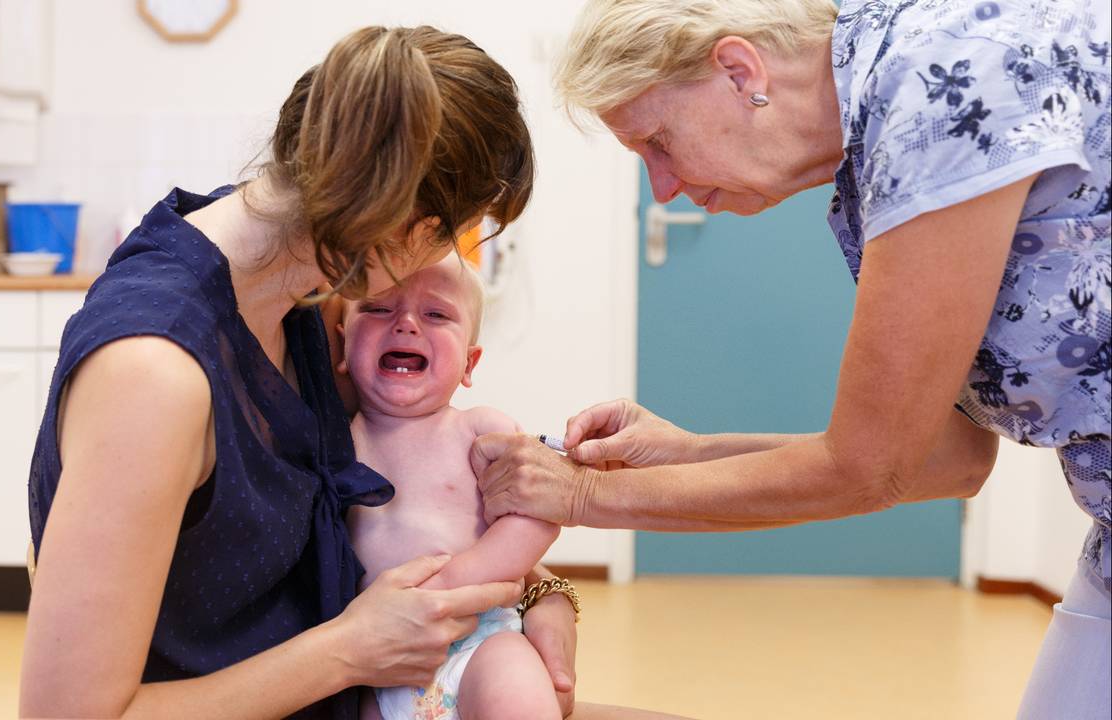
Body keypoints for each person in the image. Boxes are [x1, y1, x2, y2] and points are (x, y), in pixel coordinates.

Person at [471, 1, 1111, 718]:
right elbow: (946, 460)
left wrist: (584, 497)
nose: (663, 187)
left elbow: (871, 469)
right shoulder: (872, 159)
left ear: (740, 72)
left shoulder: (937, 83)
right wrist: (687, 455)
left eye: (658, 142)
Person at [17, 25, 576, 720]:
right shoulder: (155, 372)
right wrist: (349, 649)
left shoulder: (313, 288)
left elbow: (400, 511)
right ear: (407, 225)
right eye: (452, 236)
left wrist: (541, 590)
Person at [340, 253, 563, 720]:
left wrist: (454, 580)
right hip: (379, 664)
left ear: (469, 361)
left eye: (436, 314)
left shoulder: (480, 431)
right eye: (377, 308)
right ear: (342, 348)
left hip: (480, 641)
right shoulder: (336, 441)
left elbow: (539, 512)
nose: (404, 324)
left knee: (517, 696)